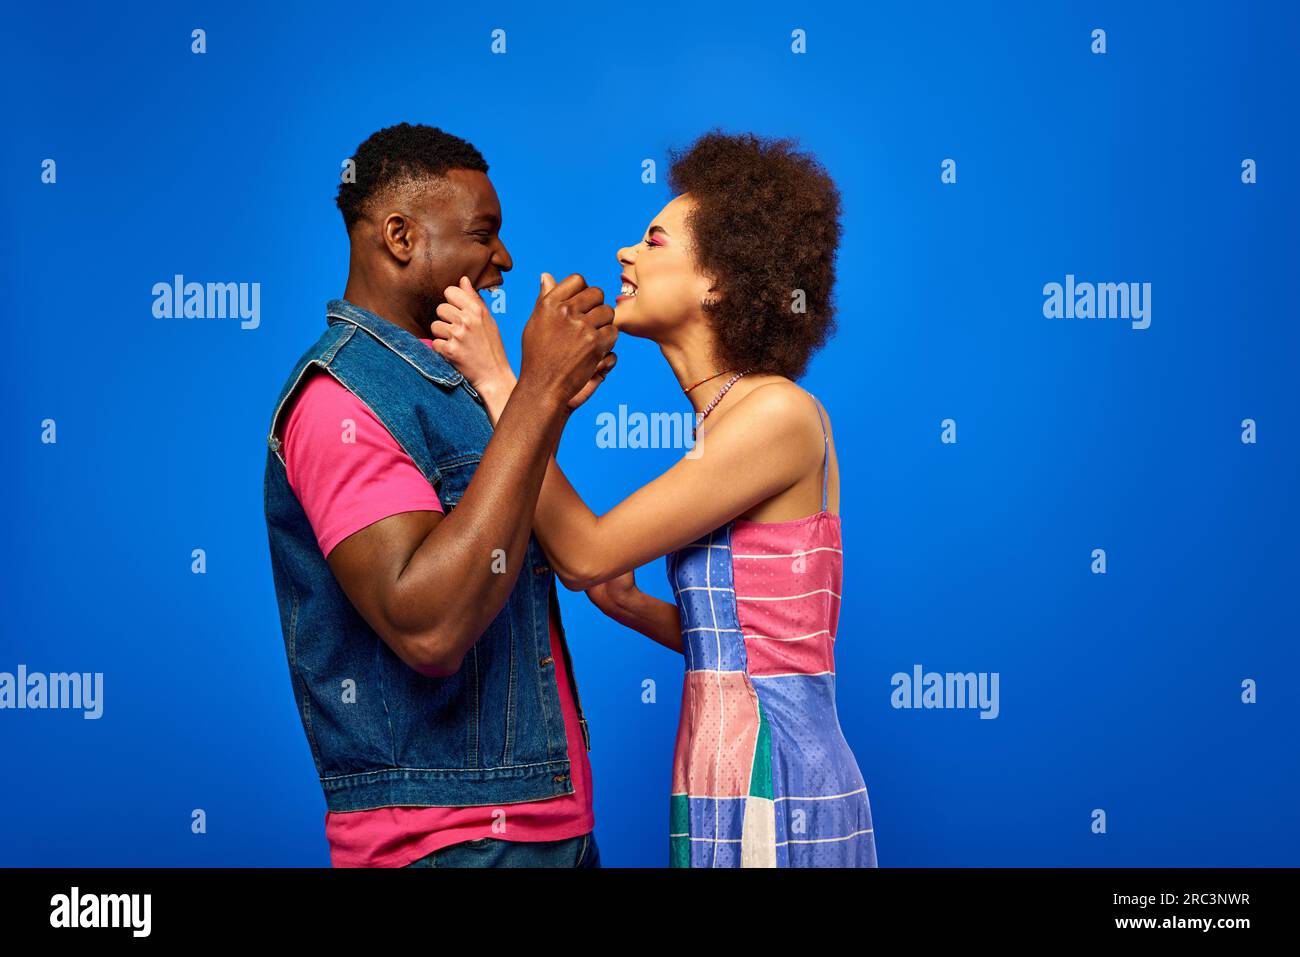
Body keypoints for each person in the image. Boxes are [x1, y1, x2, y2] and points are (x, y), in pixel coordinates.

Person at [432, 130, 878, 867]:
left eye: (655, 240)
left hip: (774, 780)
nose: (624, 254)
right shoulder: (732, 417)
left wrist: (507, 384)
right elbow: (760, 644)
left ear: (719, 283)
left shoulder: (776, 415)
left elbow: (581, 553)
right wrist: (633, 605)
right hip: (718, 765)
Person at [263, 123, 616, 868]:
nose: (505, 258)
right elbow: (428, 627)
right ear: (399, 236)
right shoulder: (339, 401)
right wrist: (536, 394)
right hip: (449, 845)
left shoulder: (451, 384)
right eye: (483, 234)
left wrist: (538, 407)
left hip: (548, 824)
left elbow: (511, 553)